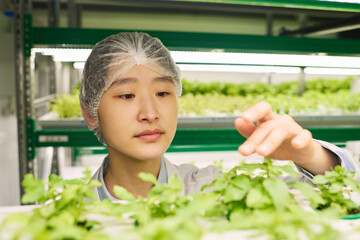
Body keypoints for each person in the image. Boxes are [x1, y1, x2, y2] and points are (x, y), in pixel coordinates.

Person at [79, 32, 359, 200]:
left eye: (163, 93)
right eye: (126, 95)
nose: (150, 114)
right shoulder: (64, 212)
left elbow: (339, 199)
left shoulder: (211, 190)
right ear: (90, 113)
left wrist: (310, 156)